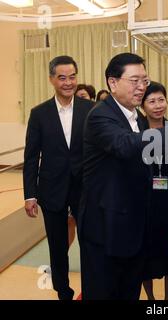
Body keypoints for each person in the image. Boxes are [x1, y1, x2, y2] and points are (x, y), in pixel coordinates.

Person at [78, 52, 168, 300]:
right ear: (113, 82)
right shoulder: (101, 115)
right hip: (106, 228)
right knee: (104, 292)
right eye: (135, 81)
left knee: (129, 291)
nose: (142, 86)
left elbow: (156, 159)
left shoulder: (138, 119)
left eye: (145, 80)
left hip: (133, 228)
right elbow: (125, 145)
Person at [23, 55, 94, 300]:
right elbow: (31, 157)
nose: (68, 82)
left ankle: (92, 289)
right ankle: (63, 291)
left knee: (90, 242)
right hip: (51, 189)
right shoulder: (39, 113)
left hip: (85, 189)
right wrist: (30, 194)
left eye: (72, 76)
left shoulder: (90, 109)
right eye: (62, 77)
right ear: (52, 79)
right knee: (57, 245)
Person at [139, 81, 168, 300]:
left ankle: (167, 301)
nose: (157, 105)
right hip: (143, 206)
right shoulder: (135, 132)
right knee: (143, 260)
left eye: (161, 100)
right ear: (142, 105)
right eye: (151, 101)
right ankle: (151, 299)